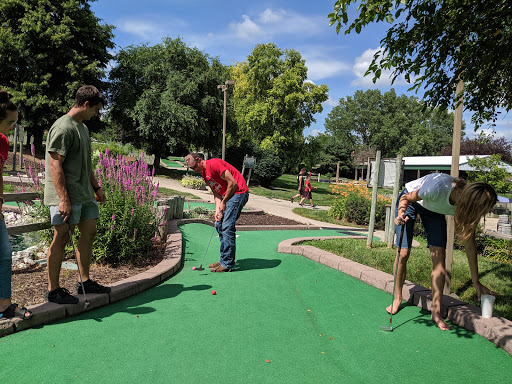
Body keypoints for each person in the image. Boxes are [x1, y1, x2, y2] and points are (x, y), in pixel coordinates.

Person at [390, 172, 498, 331]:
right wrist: (400, 214)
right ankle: (397, 297)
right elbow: (406, 199)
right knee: (403, 253)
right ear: (470, 203)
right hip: (413, 200)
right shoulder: (437, 187)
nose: (478, 215)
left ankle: (436, 311)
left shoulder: (466, 208)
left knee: (440, 258)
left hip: (433, 209)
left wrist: (476, 282)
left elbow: (470, 246)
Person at [43, 85, 110, 304]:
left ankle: (84, 281)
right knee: (61, 238)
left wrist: (96, 188)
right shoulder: (63, 127)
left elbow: (86, 162)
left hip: (84, 193)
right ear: (85, 104)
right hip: (66, 195)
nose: (95, 114)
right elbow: (55, 164)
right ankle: (53, 290)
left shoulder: (82, 127)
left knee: (90, 231)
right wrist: (63, 199)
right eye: (95, 109)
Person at [184, 152, 249, 272]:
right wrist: (217, 209)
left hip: (238, 192)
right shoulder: (204, 174)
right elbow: (217, 192)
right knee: (219, 225)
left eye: (195, 166)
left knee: (227, 226)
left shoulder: (214, 164)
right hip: (228, 195)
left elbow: (233, 183)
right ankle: (224, 259)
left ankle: (228, 264)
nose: (194, 169)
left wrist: (224, 202)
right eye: (192, 168)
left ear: (199, 160)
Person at [0, 90, 33, 320]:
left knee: (4, 253)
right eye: (10, 122)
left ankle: (4, 305)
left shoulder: (2, 142)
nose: (13, 126)